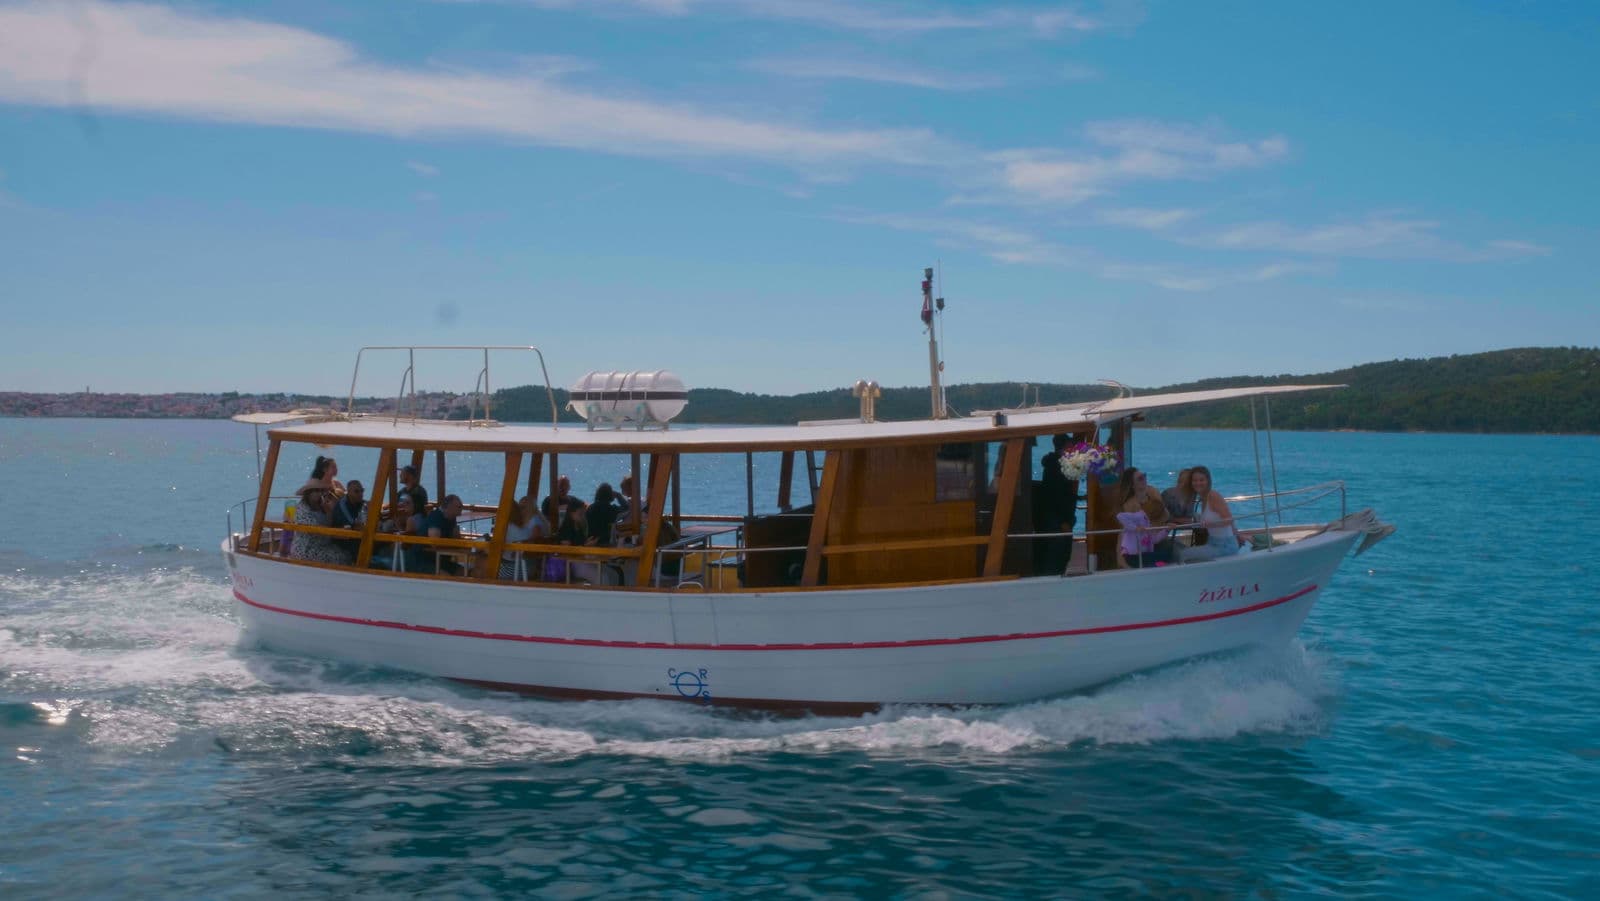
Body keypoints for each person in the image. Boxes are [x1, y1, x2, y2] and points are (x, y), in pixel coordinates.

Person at [1180, 465, 1249, 562]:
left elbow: (1229, 519)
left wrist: (1212, 525)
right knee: (1186, 554)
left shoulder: (1213, 495)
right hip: (1213, 542)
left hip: (1224, 546)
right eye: (1195, 480)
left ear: (1208, 481)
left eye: (1201, 480)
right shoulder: (1203, 498)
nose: (1198, 483)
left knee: (1183, 554)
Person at [1035, 434, 1079, 574]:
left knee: (1059, 552)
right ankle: (1054, 576)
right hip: (1057, 520)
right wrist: (1063, 521)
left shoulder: (1053, 465)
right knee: (1059, 552)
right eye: (1071, 447)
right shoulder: (1058, 467)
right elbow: (1057, 496)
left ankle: (1055, 574)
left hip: (1054, 518)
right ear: (1064, 447)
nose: (1073, 450)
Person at [1116, 468, 1172, 567]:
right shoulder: (1130, 505)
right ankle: (1125, 562)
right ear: (1132, 485)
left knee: (1169, 550)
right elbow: (1128, 525)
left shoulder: (1153, 492)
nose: (1144, 479)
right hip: (1142, 539)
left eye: (1144, 476)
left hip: (1154, 535)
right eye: (1140, 478)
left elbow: (1165, 515)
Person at [288, 488, 352, 565]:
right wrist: (339, 532)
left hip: (322, 545)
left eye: (321, 491)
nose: (319, 494)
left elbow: (328, 524)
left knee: (347, 553)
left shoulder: (321, 506)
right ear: (308, 493)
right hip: (306, 549)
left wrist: (329, 512)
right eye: (316, 491)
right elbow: (317, 530)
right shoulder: (302, 508)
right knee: (342, 557)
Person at [497, 495, 547, 580]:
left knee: (483, 566)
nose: (520, 510)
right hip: (527, 566)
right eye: (519, 507)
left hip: (521, 568)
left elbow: (535, 542)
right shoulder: (526, 525)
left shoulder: (535, 523)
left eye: (522, 507)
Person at [424, 494, 464, 574]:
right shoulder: (435, 517)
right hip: (425, 560)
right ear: (449, 507)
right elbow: (435, 544)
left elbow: (456, 538)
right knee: (445, 575)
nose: (461, 512)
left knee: (464, 572)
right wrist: (456, 545)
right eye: (459, 507)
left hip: (442, 560)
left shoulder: (451, 518)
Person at [330, 479, 366, 558]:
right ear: (349, 492)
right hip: (342, 540)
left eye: (362, 490)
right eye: (356, 491)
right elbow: (354, 526)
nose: (361, 494)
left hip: (353, 535)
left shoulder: (359, 502)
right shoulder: (343, 505)